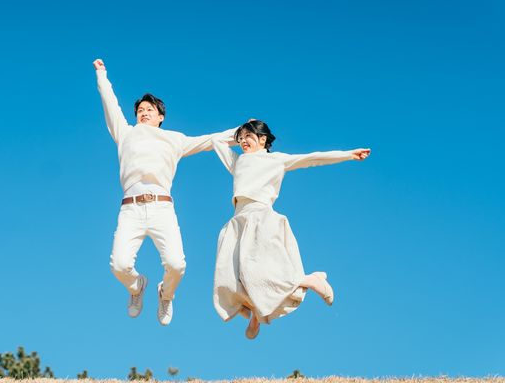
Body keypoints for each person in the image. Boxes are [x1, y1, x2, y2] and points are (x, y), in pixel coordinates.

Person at [93, 59, 236, 325]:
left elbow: (210, 140)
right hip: (131, 208)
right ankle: (137, 287)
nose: (144, 113)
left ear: (161, 117)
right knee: (119, 265)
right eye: (140, 110)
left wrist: (242, 132)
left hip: (161, 207)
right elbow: (110, 104)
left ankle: (165, 294)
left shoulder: (174, 139)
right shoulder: (125, 133)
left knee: (176, 264)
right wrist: (102, 74)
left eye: (150, 109)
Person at [211, 119, 370, 339]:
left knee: (260, 271)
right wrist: (242, 127)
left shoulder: (276, 160)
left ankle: (310, 280)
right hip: (239, 221)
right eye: (241, 138)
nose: (243, 141)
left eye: (249, 136)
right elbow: (216, 141)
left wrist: (348, 154)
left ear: (263, 139)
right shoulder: (238, 162)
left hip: (260, 218)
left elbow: (312, 158)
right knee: (231, 277)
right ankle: (257, 311)